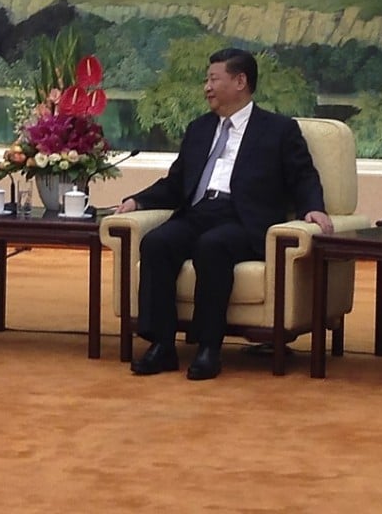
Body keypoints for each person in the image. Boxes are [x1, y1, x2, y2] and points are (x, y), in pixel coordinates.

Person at [114, 48, 333, 380]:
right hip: (200, 211)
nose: (207, 87)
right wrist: (138, 201)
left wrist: (313, 208)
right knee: (157, 243)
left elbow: (303, 175)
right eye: (207, 80)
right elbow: (176, 181)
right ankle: (161, 345)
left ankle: (208, 349)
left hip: (244, 218)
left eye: (214, 79)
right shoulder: (200, 128)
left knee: (212, 247)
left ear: (240, 81)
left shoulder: (278, 130)